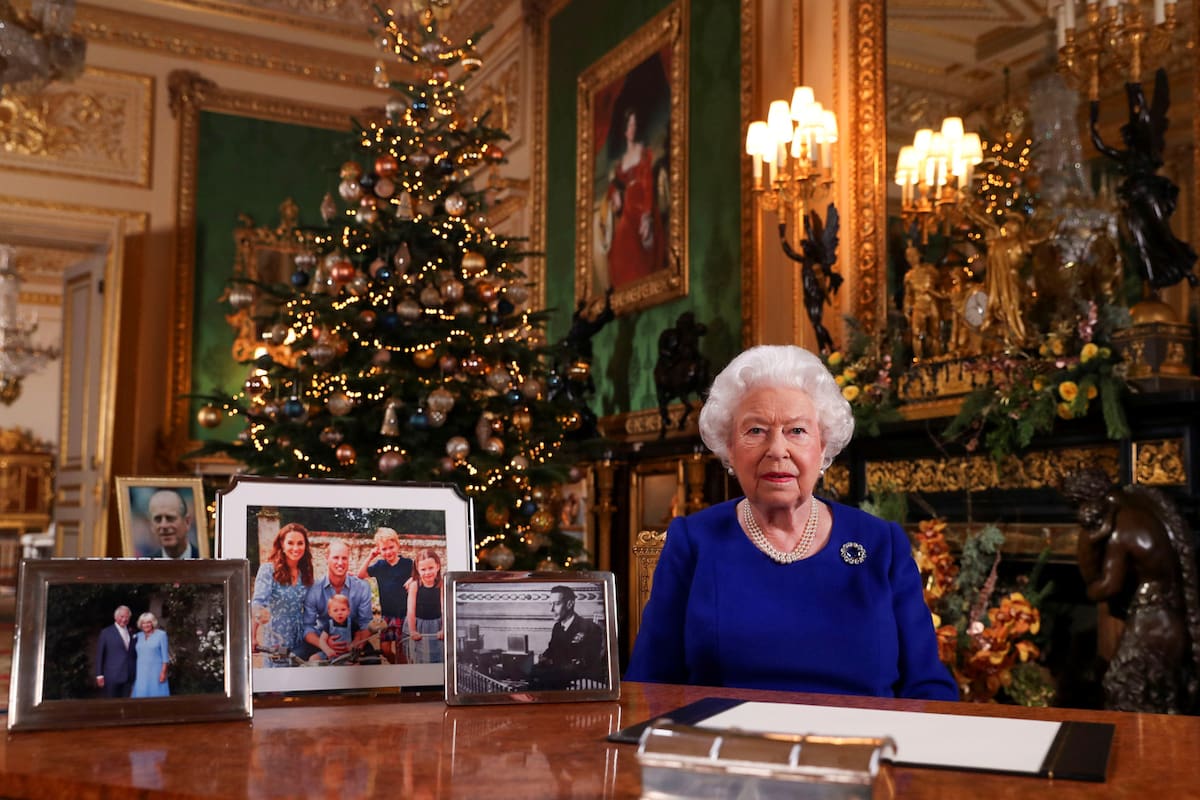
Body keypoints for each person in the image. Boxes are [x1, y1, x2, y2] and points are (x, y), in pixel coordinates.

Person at [626, 345, 958, 700]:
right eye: (755, 430)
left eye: (796, 430)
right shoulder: (694, 541)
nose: (777, 450)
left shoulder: (881, 544)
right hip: (727, 748)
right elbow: (648, 684)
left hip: (861, 749)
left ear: (823, 444)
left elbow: (927, 684)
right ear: (729, 448)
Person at [1062, 468, 1200, 713]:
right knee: (1158, 699)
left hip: (1153, 621)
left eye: (1076, 505)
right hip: (1166, 619)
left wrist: (1090, 543)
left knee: (1122, 688)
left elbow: (1107, 587)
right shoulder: (1137, 513)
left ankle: (1138, 750)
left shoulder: (1120, 531)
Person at [1089, 69, 1197, 291]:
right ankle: (1153, 282)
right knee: (1140, 241)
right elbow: (1100, 145)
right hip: (1134, 202)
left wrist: (1134, 90)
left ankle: (1187, 271)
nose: (1125, 137)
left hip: (1148, 195)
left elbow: (1143, 116)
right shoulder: (1127, 156)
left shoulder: (1146, 150)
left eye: (1128, 134)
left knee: (1162, 232)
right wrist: (1092, 117)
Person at [599, 107, 665, 289]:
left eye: (635, 125)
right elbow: (615, 185)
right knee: (620, 244)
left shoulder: (643, 152)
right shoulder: (621, 162)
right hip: (628, 210)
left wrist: (646, 215)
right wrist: (615, 195)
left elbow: (647, 182)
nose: (632, 129)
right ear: (624, 129)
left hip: (643, 205)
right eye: (629, 125)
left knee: (639, 240)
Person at [299, 539, 373, 660]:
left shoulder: (362, 587)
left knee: (373, 663)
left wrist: (355, 645)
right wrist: (324, 644)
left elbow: (366, 624)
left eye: (344, 558)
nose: (340, 562)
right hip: (321, 640)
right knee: (297, 658)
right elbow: (308, 626)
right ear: (327, 558)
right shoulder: (313, 589)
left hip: (353, 640)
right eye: (335, 557)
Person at [252, 522, 314, 659]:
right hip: (276, 640)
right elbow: (258, 604)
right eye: (290, 543)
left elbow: (313, 605)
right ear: (282, 545)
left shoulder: (306, 573)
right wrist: (252, 636)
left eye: (300, 543)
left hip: (300, 641)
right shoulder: (268, 570)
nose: (296, 548)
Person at [529, 585, 606, 689]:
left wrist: (550, 662)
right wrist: (541, 658)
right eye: (550, 604)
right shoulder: (557, 627)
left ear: (569, 604)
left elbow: (584, 662)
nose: (551, 609)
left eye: (556, 604)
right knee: (527, 671)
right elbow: (551, 650)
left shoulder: (589, 628)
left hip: (580, 680)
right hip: (558, 674)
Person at [357, 527, 413, 664]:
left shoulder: (407, 564)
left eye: (391, 547)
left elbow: (419, 575)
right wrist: (371, 556)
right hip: (386, 615)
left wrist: (413, 579)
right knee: (385, 649)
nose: (388, 552)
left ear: (397, 545)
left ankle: (401, 671)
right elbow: (360, 575)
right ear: (379, 550)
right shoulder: (380, 565)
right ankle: (394, 664)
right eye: (384, 549)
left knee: (402, 649)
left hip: (403, 614)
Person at [902, 245, 945, 359]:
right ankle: (919, 360)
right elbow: (908, 295)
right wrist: (906, 310)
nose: (911, 258)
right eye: (908, 256)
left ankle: (937, 359)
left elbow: (940, 286)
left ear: (919, 255)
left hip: (932, 303)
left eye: (913, 255)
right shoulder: (909, 276)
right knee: (916, 333)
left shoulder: (930, 270)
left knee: (935, 333)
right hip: (918, 305)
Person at [406, 549, 445, 664]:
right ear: (417, 570)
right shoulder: (414, 585)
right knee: (419, 656)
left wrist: (443, 629)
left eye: (431, 568)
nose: (427, 572)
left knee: (438, 655)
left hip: (436, 625)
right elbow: (411, 611)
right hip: (419, 625)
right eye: (423, 569)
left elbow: (444, 609)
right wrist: (413, 630)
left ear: (437, 566)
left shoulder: (442, 585)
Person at [95, 605, 136, 697]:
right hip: (112, 677)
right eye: (122, 616)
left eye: (127, 617)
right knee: (111, 705)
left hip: (128, 677)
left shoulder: (132, 632)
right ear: (115, 617)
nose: (124, 619)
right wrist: (99, 675)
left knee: (126, 705)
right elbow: (100, 655)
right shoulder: (106, 632)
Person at [146, 489, 196, 559]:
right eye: (158, 519)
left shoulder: (206, 559)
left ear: (187, 522)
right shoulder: (146, 566)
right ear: (151, 525)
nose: (163, 525)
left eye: (170, 518)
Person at [131, 612, 170, 698]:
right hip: (141, 672)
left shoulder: (161, 635)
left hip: (156, 672)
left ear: (153, 623)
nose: (146, 625)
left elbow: (165, 657)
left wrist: (163, 673)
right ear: (140, 624)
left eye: (148, 622)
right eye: (143, 623)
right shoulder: (138, 636)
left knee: (156, 696)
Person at [308, 594, 355, 663]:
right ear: (330, 613)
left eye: (343, 609)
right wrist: (327, 650)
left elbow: (358, 636)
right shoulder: (329, 624)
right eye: (335, 610)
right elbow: (322, 640)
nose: (340, 613)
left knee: (355, 663)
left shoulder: (352, 624)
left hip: (346, 653)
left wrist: (353, 645)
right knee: (313, 659)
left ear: (348, 611)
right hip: (331, 652)